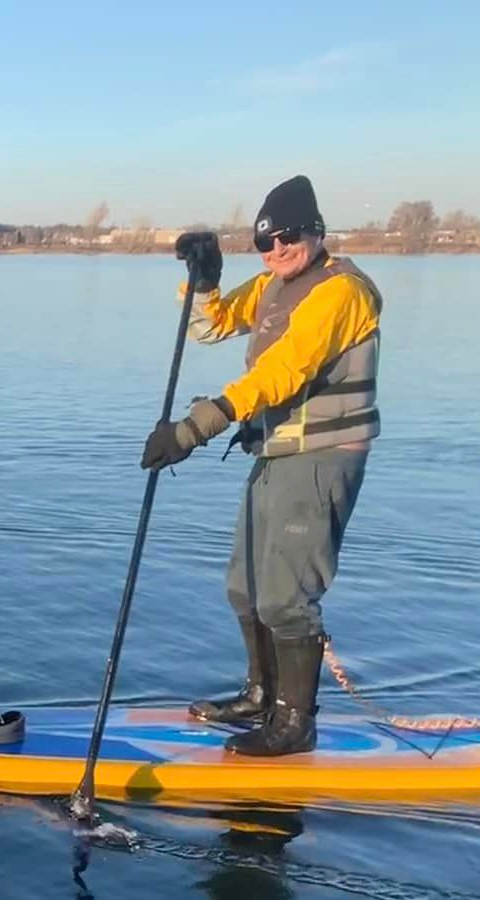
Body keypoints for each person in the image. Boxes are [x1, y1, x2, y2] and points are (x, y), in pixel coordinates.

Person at [141, 174, 382, 757]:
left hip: (321, 458)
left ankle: (295, 724)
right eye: (265, 245)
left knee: (285, 597)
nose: (277, 252)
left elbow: (286, 371)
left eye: (287, 239)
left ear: (316, 232)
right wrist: (204, 281)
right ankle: (260, 695)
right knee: (244, 588)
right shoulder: (275, 285)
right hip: (275, 453)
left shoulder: (340, 292)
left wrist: (199, 424)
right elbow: (210, 326)